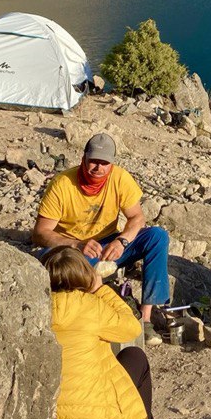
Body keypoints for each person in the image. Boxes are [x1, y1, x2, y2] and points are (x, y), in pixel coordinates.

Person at [43, 245, 164, 419]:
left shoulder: (32, 308)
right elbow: (131, 328)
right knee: (135, 356)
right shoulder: (90, 306)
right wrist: (102, 290)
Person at [32, 133, 169, 326]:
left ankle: (145, 317)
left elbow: (137, 217)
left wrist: (122, 241)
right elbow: (40, 233)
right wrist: (76, 244)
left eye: (104, 163)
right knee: (51, 261)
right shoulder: (62, 184)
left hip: (108, 246)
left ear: (111, 164)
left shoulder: (120, 178)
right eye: (93, 161)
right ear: (83, 159)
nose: (98, 168)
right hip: (73, 250)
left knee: (157, 236)